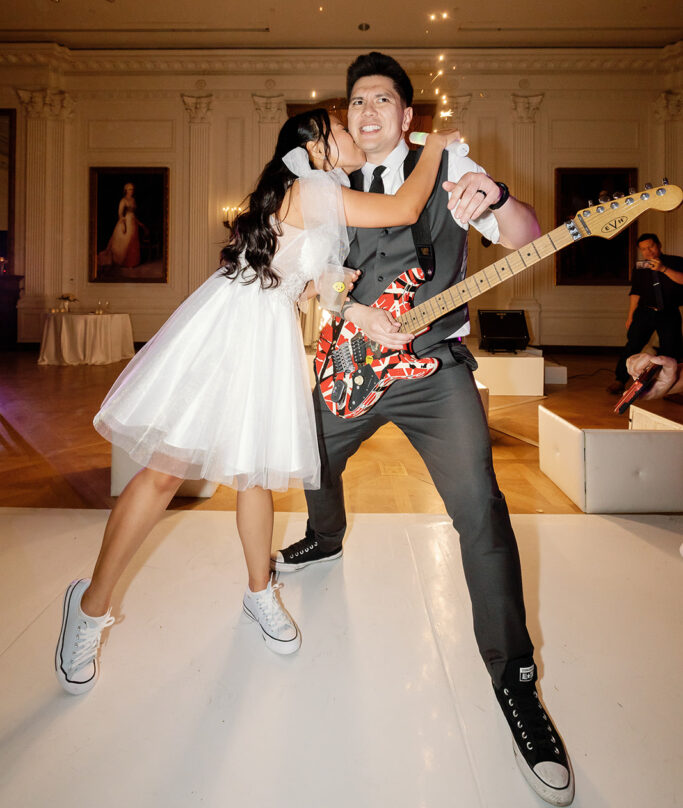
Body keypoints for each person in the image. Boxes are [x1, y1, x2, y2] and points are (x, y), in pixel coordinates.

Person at [55, 108, 458, 692]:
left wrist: (360, 313)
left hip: (268, 331)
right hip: (231, 328)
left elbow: (319, 284)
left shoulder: (321, 194)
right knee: (165, 471)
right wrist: (439, 145)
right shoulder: (310, 187)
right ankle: (89, 607)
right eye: (342, 130)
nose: (352, 136)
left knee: (256, 477)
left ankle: (258, 592)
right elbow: (406, 208)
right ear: (317, 146)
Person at [273, 53, 575, 806]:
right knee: (309, 457)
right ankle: (328, 531)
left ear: (408, 117)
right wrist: (350, 311)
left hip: (433, 370)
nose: (367, 110)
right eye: (356, 102)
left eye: (383, 99)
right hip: (349, 367)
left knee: (479, 510)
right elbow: (313, 274)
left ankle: (517, 686)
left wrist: (499, 198)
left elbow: (525, 234)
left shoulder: (452, 167)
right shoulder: (325, 179)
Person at [607, 233, 683, 394]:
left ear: (659, 245)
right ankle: (619, 379)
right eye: (644, 249)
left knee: (671, 349)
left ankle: (667, 386)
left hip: (669, 312)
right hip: (644, 312)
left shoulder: (675, 262)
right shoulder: (640, 266)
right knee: (632, 345)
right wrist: (630, 316)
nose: (648, 252)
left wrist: (664, 269)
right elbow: (636, 292)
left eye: (651, 247)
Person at [98, 182, 148, 269]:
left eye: (132, 189)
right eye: (129, 189)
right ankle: (124, 262)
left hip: (133, 223)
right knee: (126, 242)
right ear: (125, 190)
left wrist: (140, 223)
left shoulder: (133, 200)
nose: (131, 191)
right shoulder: (123, 200)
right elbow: (120, 214)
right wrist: (123, 225)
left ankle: (132, 263)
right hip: (126, 222)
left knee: (133, 241)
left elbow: (133, 214)